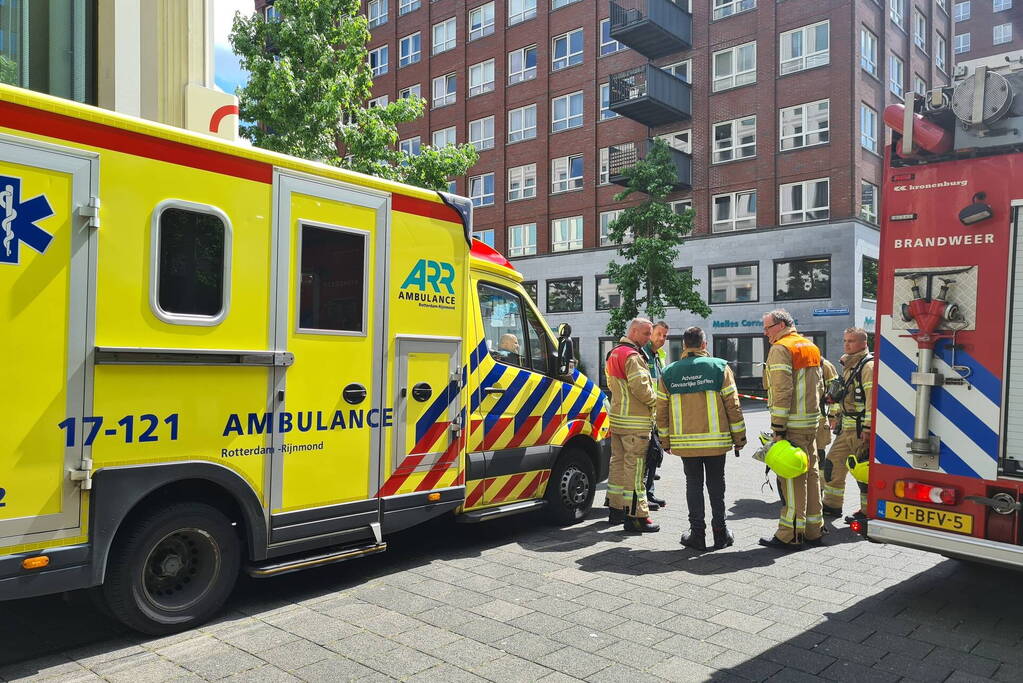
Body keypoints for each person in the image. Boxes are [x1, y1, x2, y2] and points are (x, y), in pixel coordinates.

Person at [656, 327, 745, 551]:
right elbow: (732, 405)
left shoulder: (668, 373)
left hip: (686, 445)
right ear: (704, 345)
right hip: (716, 443)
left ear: (685, 346)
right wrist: (739, 438)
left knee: (693, 485)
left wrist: (665, 441)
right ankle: (721, 533)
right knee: (717, 486)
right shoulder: (719, 367)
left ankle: (697, 534)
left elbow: (661, 412)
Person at [759, 309, 825, 550]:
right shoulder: (809, 346)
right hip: (810, 422)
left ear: (780, 324)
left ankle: (790, 534)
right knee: (812, 474)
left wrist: (778, 426)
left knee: (792, 479)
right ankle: (814, 530)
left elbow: (782, 391)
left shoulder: (781, 349)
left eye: (767, 327)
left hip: (792, 425)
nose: (765, 333)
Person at [605, 317, 659, 532]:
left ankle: (615, 510)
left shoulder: (614, 353)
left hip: (617, 419)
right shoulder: (633, 356)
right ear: (634, 332)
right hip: (636, 423)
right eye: (646, 333)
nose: (649, 338)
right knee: (636, 470)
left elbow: (610, 383)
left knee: (617, 465)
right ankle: (637, 516)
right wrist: (658, 402)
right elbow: (642, 389)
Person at [821, 328, 874, 523]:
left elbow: (872, 400)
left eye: (851, 341)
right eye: (845, 340)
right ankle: (832, 505)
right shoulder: (849, 365)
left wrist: (868, 428)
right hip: (846, 429)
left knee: (863, 472)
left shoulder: (868, 366)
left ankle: (867, 512)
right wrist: (834, 412)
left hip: (861, 430)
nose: (846, 344)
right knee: (833, 464)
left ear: (863, 343)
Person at [644, 321, 670, 510]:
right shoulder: (642, 354)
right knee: (648, 455)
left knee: (655, 456)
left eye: (665, 336)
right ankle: (645, 495)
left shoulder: (659, 356)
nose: (662, 339)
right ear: (650, 333)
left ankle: (649, 492)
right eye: (659, 334)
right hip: (646, 414)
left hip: (657, 414)